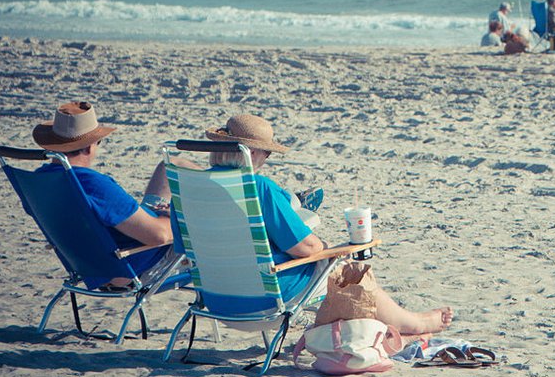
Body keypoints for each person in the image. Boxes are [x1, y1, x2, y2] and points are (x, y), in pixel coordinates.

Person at [186, 114, 454, 337]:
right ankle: (412, 323)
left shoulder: (187, 190)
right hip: (267, 302)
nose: (265, 159)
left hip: (215, 302)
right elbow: (305, 247)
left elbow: (185, 250)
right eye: (267, 153)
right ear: (252, 153)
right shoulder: (258, 188)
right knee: (341, 267)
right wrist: (329, 249)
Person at [31, 101, 173, 287]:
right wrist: (176, 218)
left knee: (170, 166)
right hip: (130, 266)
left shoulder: (40, 183)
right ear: (90, 147)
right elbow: (159, 237)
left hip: (87, 266)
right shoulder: (93, 186)